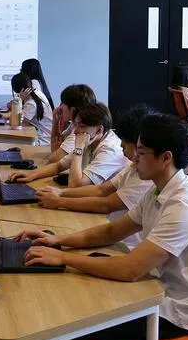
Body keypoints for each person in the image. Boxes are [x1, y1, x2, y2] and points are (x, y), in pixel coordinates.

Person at [12, 114, 188, 340]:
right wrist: (58, 242)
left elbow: (130, 269)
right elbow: (111, 232)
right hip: (150, 285)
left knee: (72, 317)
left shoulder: (184, 207)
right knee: (67, 292)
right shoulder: (160, 188)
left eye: (142, 153)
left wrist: (64, 259)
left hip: (170, 308)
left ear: (166, 158)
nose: (132, 161)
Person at [35, 104, 156, 247]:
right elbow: (101, 190)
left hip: (124, 244)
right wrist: (60, 193)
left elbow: (106, 204)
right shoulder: (135, 166)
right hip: (108, 229)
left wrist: (59, 201)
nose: (121, 145)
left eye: (125, 141)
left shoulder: (118, 155)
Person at [12, 102, 126, 186]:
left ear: (99, 130)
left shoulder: (109, 150)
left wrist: (78, 149)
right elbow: (58, 166)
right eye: (76, 125)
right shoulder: (90, 140)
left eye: (82, 126)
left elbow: (76, 185)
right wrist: (32, 175)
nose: (76, 131)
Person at [46, 84, 98, 162]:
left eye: (62, 103)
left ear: (73, 110)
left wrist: (56, 149)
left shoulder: (81, 130)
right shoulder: (74, 124)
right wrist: (56, 122)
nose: (60, 107)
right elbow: (57, 141)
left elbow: (55, 159)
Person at [11, 72, 52, 145]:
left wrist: (20, 100)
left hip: (41, 140)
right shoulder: (36, 92)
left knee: (10, 140)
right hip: (42, 136)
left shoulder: (31, 104)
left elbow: (17, 122)